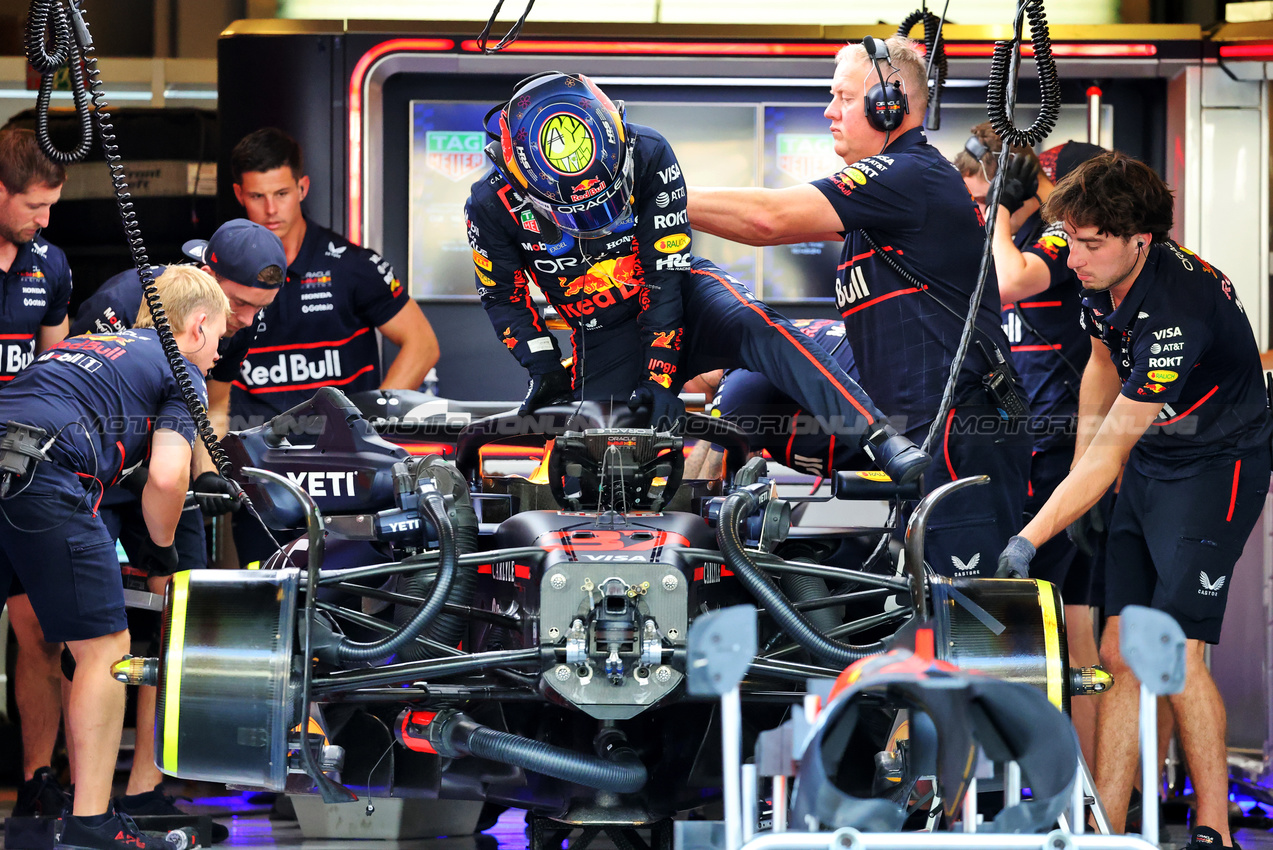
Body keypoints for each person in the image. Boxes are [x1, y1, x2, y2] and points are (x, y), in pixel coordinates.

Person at [995, 152, 1272, 850]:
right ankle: (1105, 832)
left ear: (1138, 240)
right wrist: (1085, 488)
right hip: (1153, 454)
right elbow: (1098, 367)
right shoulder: (1099, 277)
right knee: (1119, 652)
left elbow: (1113, 447)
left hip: (1219, 461)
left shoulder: (1174, 314)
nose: (1076, 259)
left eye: (1091, 245)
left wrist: (1032, 533)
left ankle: (1214, 830)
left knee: (1172, 650)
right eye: (1072, 242)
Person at [465, 72, 928, 486]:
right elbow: (502, 296)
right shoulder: (488, 205)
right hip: (604, 335)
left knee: (756, 324)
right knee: (595, 471)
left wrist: (661, 376)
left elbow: (665, 277)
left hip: (686, 298)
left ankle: (881, 438)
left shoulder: (648, 151)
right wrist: (543, 368)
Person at [687, 37, 1031, 577]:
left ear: (887, 104)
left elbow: (765, 220)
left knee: (968, 634)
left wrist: (656, 193)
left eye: (842, 97)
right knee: (925, 637)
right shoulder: (883, 203)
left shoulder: (910, 174)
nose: (828, 112)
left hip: (962, 437)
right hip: (923, 439)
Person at [0, 266, 231, 850]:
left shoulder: (83, 344)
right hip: (43, 472)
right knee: (107, 649)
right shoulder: (182, 366)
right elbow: (167, 476)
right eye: (221, 340)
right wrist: (161, 542)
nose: (217, 355)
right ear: (198, 327)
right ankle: (92, 825)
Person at [69, 219, 284, 827]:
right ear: (209, 277)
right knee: (94, 626)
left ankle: (145, 788)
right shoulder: (120, 301)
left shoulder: (241, 321)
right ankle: (83, 792)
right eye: (239, 303)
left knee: (177, 615)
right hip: (98, 468)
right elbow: (80, 390)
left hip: (167, 459)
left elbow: (209, 398)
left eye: (258, 308)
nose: (244, 319)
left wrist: (208, 470)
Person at [953, 125, 1107, 768]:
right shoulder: (1008, 237)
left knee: (1069, 633)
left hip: (1067, 455)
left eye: (978, 186)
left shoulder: (1055, 237)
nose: (972, 200)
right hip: (1024, 449)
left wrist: (1000, 214)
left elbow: (1009, 282)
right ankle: (1047, 789)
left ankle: (1093, 798)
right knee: (1034, 632)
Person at [226, 127, 440, 565]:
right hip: (262, 470)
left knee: (348, 609)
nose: (270, 209)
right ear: (238, 194)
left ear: (302, 187)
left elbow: (422, 345)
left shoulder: (351, 266)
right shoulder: (221, 271)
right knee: (268, 604)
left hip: (343, 470)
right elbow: (208, 388)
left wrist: (369, 428)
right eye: (257, 196)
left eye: (282, 193)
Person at [0, 126, 76, 817]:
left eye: (50, 206)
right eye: (33, 206)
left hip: (22, 478)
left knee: (42, 634)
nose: (43, 221)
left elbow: (56, 374)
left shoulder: (48, 263)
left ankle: (37, 779)